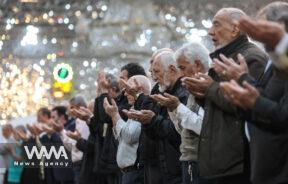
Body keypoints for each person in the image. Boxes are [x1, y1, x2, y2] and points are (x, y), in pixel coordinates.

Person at [181, 7, 268, 183]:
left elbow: (246, 105)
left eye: (216, 25)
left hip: (238, 163)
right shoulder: (224, 59)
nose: (210, 31)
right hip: (221, 162)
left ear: (235, 29)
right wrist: (201, 94)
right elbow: (220, 103)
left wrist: (210, 88)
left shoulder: (251, 58)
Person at [217, 2, 288, 184]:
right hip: (264, 167)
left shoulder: (266, 59)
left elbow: (281, 115)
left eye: (262, 29)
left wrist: (244, 84)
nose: (259, 36)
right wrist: (242, 81)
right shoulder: (275, 62)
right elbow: (265, 99)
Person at [151, 42, 211, 184]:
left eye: (182, 68)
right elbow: (183, 130)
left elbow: (203, 127)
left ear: (197, 64)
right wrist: (172, 109)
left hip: (200, 162)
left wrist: (176, 106)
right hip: (188, 161)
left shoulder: (206, 87)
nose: (181, 74)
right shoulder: (190, 88)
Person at [125, 51, 189, 184]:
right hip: (162, 166)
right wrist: (147, 121)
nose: (153, 77)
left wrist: (153, 120)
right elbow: (156, 132)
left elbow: (180, 133)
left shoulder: (183, 93)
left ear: (171, 69)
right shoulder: (163, 91)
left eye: (156, 71)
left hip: (176, 168)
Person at [103, 75, 151, 184]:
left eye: (128, 89)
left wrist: (115, 115)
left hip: (136, 172)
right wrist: (114, 116)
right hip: (127, 173)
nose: (125, 93)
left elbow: (129, 136)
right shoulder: (133, 108)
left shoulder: (144, 108)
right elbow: (121, 137)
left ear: (140, 88)